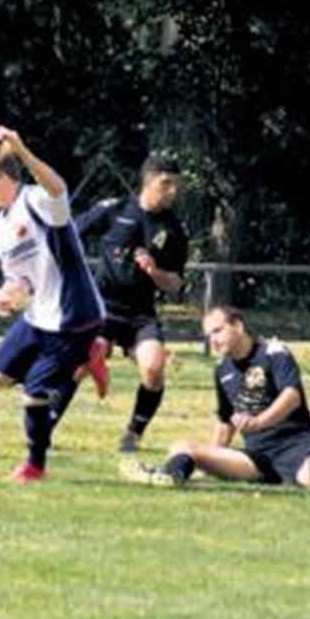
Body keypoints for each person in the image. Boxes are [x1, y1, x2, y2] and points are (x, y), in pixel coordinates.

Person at [0, 124, 107, 484]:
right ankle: (83, 360)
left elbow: (58, 188)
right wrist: (7, 293)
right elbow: (21, 280)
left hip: (73, 317)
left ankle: (34, 466)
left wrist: (22, 151)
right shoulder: (1, 227)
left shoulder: (36, 201)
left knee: (34, 394)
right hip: (38, 315)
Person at [120, 305, 310, 494]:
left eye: (218, 331)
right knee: (182, 447)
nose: (212, 340)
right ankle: (170, 476)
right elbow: (225, 420)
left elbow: (291, 397)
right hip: (256, 460)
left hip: (297, 449)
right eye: (208, 335)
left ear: (238, 326)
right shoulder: (222, 369)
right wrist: (212, 458)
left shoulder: (274, 353)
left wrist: (259, 422)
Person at [75, 154, 188, 452]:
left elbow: (176, 283)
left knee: (153, 368)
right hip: (103, 309)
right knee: (83, 362)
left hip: (140, 314)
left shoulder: (174, 229)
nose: (173, 191)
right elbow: (71, 234)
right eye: (166, 184)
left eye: (176, 185)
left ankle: (133, 434)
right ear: (149, 182)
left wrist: (155, 272)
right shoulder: (115, 209)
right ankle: (45, 424)